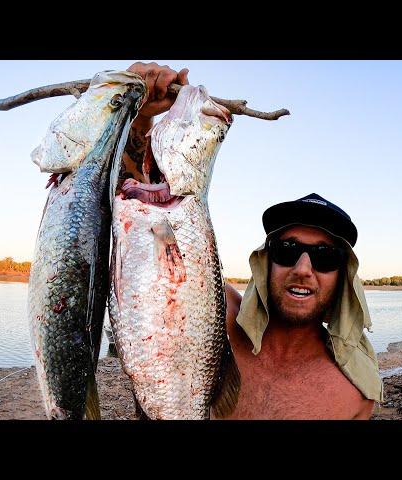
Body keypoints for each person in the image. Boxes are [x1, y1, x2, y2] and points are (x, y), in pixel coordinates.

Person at [124, 62, 383, 420]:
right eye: (288, 250)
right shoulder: (210, 310)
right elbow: (137, 205)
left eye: (325, 257)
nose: (303, 268)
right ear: (266, 261)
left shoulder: (355, 394)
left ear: (343, 276)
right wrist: (139, 117)